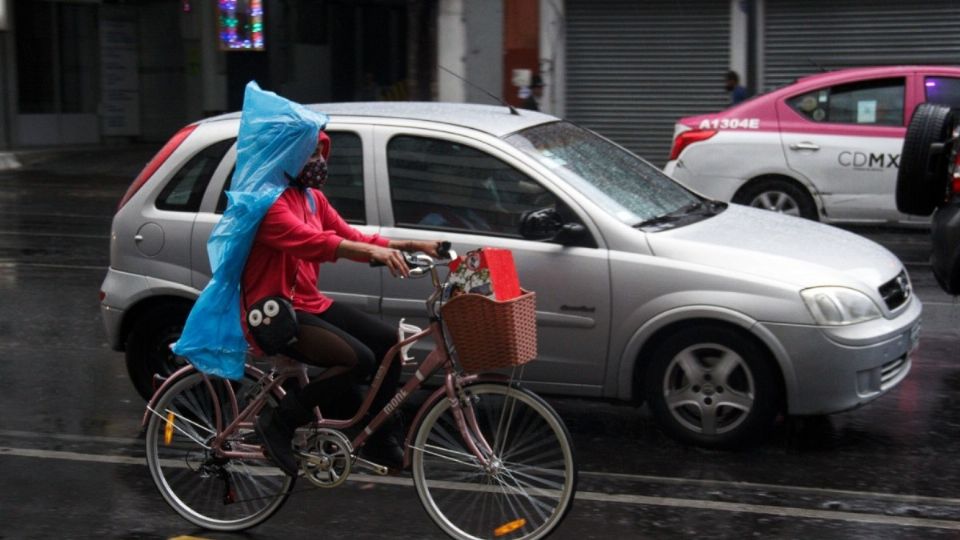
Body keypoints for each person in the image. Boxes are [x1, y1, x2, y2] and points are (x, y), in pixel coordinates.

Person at [247, 130, 442, 476]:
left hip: (310, 303)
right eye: (309, 156)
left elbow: (351, 235)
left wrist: (414, 245)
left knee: (387, 344)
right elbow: (316, 243)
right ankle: (279, 422)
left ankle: (378, 434)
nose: (318, 163)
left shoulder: (311, 200)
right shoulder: (270, 205)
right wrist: (373, 252)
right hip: (277, 311)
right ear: (286, 159)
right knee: (358, 360)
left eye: (319, 153)